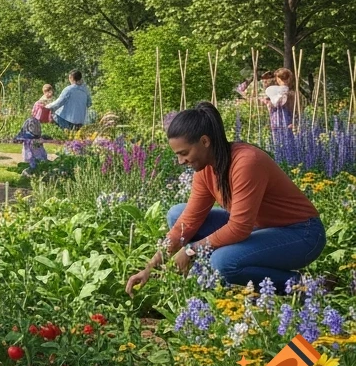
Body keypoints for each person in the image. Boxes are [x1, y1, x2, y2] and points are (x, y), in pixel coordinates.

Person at [125, 102, 324, 293]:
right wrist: (150, 267)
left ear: (205, 141)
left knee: (222, 262)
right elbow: (187, 222)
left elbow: (239, 228)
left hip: (301, 234)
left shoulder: (246, 162)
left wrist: (190, 250)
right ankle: (216, 277)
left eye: (184, 153)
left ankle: (305, 285)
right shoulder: (205, 170)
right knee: (177, 215)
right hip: (259, 227)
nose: (180, 161)